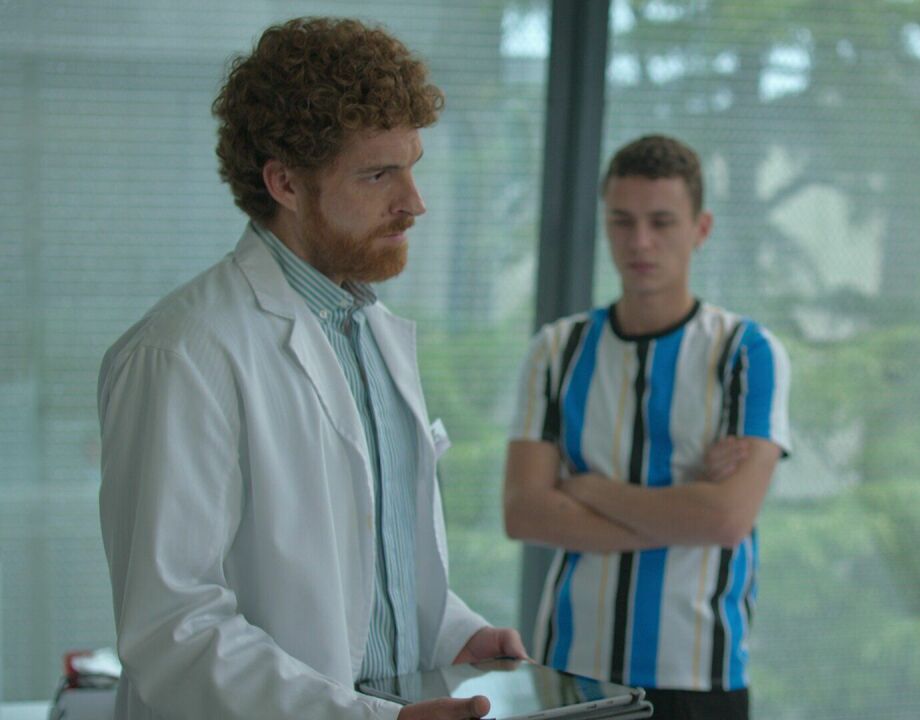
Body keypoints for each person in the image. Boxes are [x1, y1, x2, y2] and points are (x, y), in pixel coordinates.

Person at [97, 17, 524, 720]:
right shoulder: (181, 353)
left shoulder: (369, 332)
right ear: (285, 183)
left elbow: (371, 568)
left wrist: (457, 636)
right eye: (379, 174)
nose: (414, 202)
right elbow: (173, 628)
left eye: (412, 165)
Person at [502, 135, 791, 720]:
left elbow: (728, 518)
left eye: (661, 222)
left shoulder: (746, 352)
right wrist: (686, 514)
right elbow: (524, 513)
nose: (639, 242)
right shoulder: (557, 349)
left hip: (700, 672)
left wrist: (588, 489)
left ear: (701, 229)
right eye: (622, 221)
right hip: (571, 666)